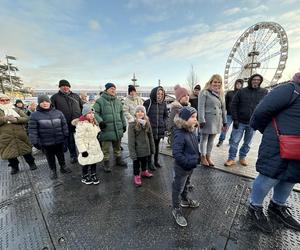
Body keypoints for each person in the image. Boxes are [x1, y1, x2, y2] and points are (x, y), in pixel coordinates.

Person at [248, 73, 300, 233]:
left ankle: (278, 206)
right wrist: (271, 133)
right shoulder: (290, 89)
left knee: (291, 177)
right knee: (270, 176)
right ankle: (254, 207)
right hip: (278, 143)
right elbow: (260, 113)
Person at [224, 74, 267, 167]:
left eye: (258, 80)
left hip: (253, 123)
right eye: (254, 79)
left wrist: (261, 120)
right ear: (250, 80)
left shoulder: (264, 92)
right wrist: (235, 119)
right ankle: (231, 158)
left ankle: (242, 157)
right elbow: (233, 105)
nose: (256, 81)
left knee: (248, 143)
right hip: (240, 122)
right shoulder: (242, 91)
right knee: (235, 141)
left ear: (260, 81)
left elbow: (266, 107)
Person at [29, 95, 71, 179]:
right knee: (50, 157)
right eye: (42, 102)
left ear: (49, 102)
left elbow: (64, 125)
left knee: (61, 155)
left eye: (47, 101)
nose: (45, 103)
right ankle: (53, 170)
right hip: (46, 142)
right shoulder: (34, 115)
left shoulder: (58, 113)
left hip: (59, 140)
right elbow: (33, 130)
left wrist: (66, 135)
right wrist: (35, 142)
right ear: (39, 103)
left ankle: (63, 167)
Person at [171, 106, 200, 227]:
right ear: (184, 119)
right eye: (192, 117)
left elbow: (193, 147)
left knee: (186, 184)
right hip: (182, 167)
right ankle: (176, 209)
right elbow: (177, 153)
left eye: (196, 117)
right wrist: (187, 163)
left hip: (190, 165)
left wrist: (196, 159)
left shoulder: (191, 130)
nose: (195, 119)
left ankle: (184, 200)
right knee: (178, 187)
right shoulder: (180, 134)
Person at [94, 83, 127, 172]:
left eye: (114, 89)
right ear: (107, 89)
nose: (113, 90)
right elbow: (94, 112)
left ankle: (118, 160)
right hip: (106, 129)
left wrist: (124, 125)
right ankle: (106, 164)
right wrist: (100, 121)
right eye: (111, 88)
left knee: (117, 147)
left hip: (117, 128)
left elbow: (121, 114)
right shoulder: (100, 101)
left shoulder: (118, 101)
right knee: (106, 149)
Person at [0, 94, 37, 174]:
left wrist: (16, 119)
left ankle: (31, 163)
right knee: (10, 153)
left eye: (7, 100)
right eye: (2, 100)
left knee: (26, 150)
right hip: (5, 137)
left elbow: (26, 118)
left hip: (20, 134)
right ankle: (14, 167)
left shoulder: (16, 109)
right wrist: (4, 119)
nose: (5, 102)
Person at [51, 79, 83, 164]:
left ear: (69, 87)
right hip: (65, 123)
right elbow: (52, 112)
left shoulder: (75, 96)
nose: (65, 87)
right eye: (63, 86)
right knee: (70, 140)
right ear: (60, 87)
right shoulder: (55, 97)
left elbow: (82, 107)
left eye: (67, 86)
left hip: (78, 122)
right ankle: (73, 155)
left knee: (81, 138)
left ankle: (84, 153)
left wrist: (82, 118)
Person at [198, 74, 226, 167]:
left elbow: (223, 108)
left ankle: (208, 156)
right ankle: (202, 157)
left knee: (211, 140)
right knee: (204, 139)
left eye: (219, 82)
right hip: (207, 120)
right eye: (215, 82)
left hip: (217, 120)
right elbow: (201, 107)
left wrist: (225, 121)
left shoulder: (221, 93)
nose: (217, 84)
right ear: (211, 82)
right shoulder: (204, 92)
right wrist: (201, 120)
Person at [73, 104, 103, 185]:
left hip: (94, 145)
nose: (92, 115)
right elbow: (78, 138)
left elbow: (95, 131)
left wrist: (99, 129)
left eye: (93, 113)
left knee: (94, 161)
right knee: (85, 162)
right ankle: (85, 176)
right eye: (89, 113)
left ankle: (93, 174)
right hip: (86, 147)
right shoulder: (81, 124)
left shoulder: (93, 122)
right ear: (85, 114)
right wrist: (83, 150)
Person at [128, 105, 154, 187]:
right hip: (137, 149)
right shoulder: (132, 124)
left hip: (146, 148)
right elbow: (131, 140)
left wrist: (152, 148)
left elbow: (150, 136)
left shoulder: (147, 123)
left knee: (144, 161)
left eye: (142, 111)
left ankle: (144, 171)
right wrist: (132, 152)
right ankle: (136, 175)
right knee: (136, 163)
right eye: (138, 111)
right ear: (135, 113)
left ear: (144, 113)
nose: (140, 113)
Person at [143, 86, 168, 169]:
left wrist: (164, 124)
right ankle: (149, 163)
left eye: (161, 94)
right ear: (154, 93)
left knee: (157, 146)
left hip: (159, 129)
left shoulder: (164, 104)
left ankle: (156, 161)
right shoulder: (148, 103)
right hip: (150, 129)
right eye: (158, 93)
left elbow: (165, 116)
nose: (160, 95)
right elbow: (143, 115)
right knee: (150, 146)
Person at [217, 79, 243, 147]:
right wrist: (223, 111)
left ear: (242, 85)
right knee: (225, 128)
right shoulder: (230, 93)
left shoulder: (243, 94)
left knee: (235, 130)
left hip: (238, 115)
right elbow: (224, 103)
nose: (238, 85)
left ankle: (231, 141)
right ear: (235, 84)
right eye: (237, 83)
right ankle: (221, 140)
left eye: (240, 84)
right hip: (229, 114)